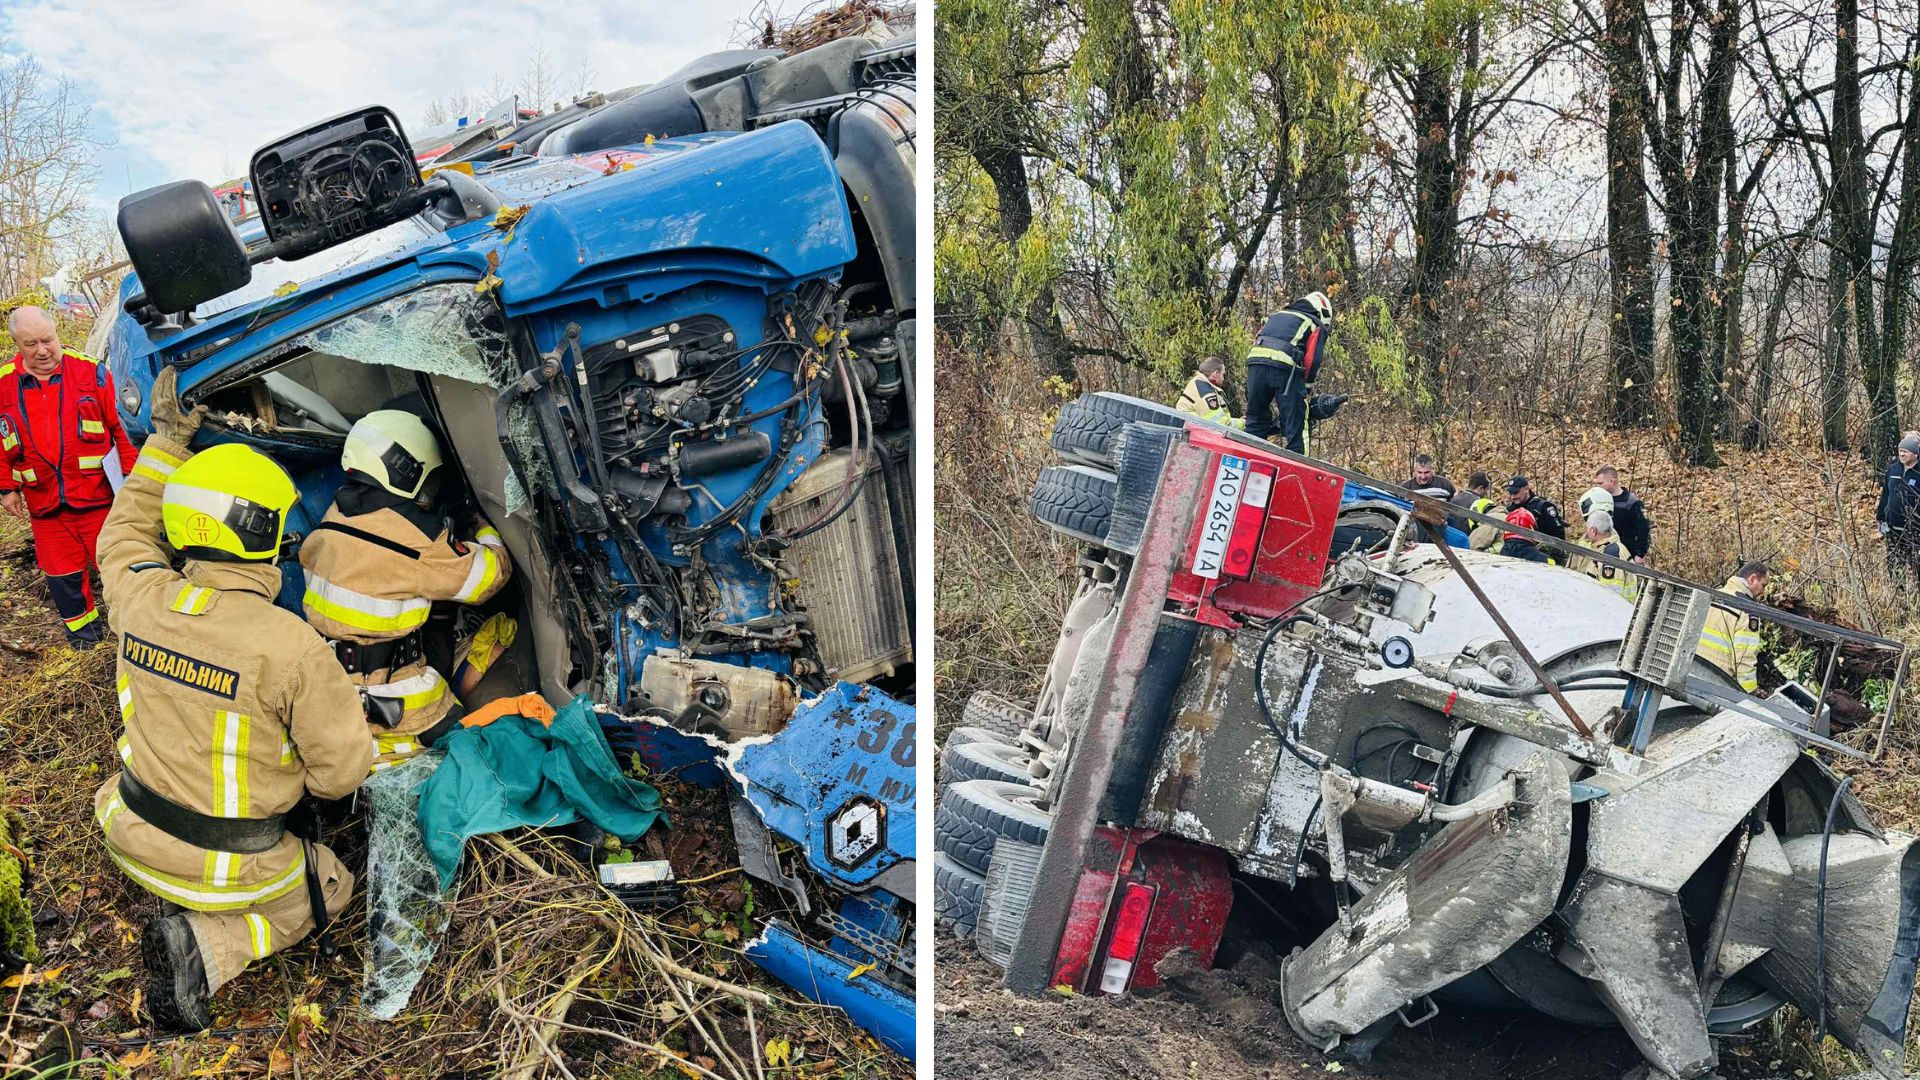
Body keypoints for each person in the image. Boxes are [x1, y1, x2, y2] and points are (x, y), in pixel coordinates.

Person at [94, 368, 373, 1031]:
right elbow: (341, 777)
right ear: (262, 532)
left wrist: (165, 442)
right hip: (225, 858)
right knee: (331, 886)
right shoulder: (291, 646)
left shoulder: (139, 598)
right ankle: (210, 945)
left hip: (125, 828)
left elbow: (124, 532)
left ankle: (181, 893)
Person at [298, 410, 516, 772]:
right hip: (398, 698)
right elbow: (489, 579)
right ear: (409, 469)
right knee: (478, 752)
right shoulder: (415, 541)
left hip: (331, 690)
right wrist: (484, 530)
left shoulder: (335, 516)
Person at [0, 306, 139, 646]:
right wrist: (6, 489)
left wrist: (133, 483)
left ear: (57, 333)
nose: (42, 350)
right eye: (31, 344)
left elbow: (122, 431)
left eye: (47, 340)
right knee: (63, 578)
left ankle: (136, 635)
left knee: (119, 569)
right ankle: (85, 643)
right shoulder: (3, 384)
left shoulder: (91, 373)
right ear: (17, 344)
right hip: (45, 504)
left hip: (98, 498)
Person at [1244, 291, 1333, 453]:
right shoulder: (1314, 323)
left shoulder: (1275, 316)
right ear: (1322, 313)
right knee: (1296, 425)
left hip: (1254, 364)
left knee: (1255, 421)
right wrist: (1304, 389)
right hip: (1285, 368)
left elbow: (1257, 340)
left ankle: (1247, 456)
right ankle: (1297, 468)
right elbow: (1313, 359)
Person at [1699, 561, 1769, 694]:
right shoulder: (1748, 611)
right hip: (1720, 680)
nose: (1763, 592)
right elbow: (1744, 658)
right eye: (1763, 585)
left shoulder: (1714, 596)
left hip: (1695, 669)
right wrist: (1750, 693)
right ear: (1752, 579)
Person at [1564, 510, 1638, 603]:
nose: (1586, 532)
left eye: (1587, 528)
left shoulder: (1609, 556)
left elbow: (1609, 596)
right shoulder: (1611, 548)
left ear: (1593, 531)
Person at [1876, 434, 1920, 580]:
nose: (1902, 454)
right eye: (1900, 450)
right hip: (1893, 529)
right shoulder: (1893, 470)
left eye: (1905, 451)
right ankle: (1898, 594)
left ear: (1915, 453)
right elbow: (1885, 495)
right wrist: (1881, 517)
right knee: (1894, 566)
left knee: (1916, 567)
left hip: (1914, 532)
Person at [1594, 466, 1651, 563]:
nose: (1598, 487)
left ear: (1612, 481)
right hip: (1603, 552)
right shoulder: (1600, 501)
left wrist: (1640, 554)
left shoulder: (1633, 503)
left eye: (1600, 483)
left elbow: (1644, 530)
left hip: (1627, 555)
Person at [1176, 357, 1239, 427]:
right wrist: (1243, 423)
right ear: (1216, 373)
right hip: (1194, 433)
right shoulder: (1205, 392)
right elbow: (1219, 425)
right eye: (1223, 374)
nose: (1223, 378)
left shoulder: (1199, 383)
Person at [1506, 475, 1568, 545]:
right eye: (1510, 493)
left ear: (1526, 489)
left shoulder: (1543, 507)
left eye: (1516, 493)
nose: (1512, 497)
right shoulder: (1510, 509)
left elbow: (1558, 534)